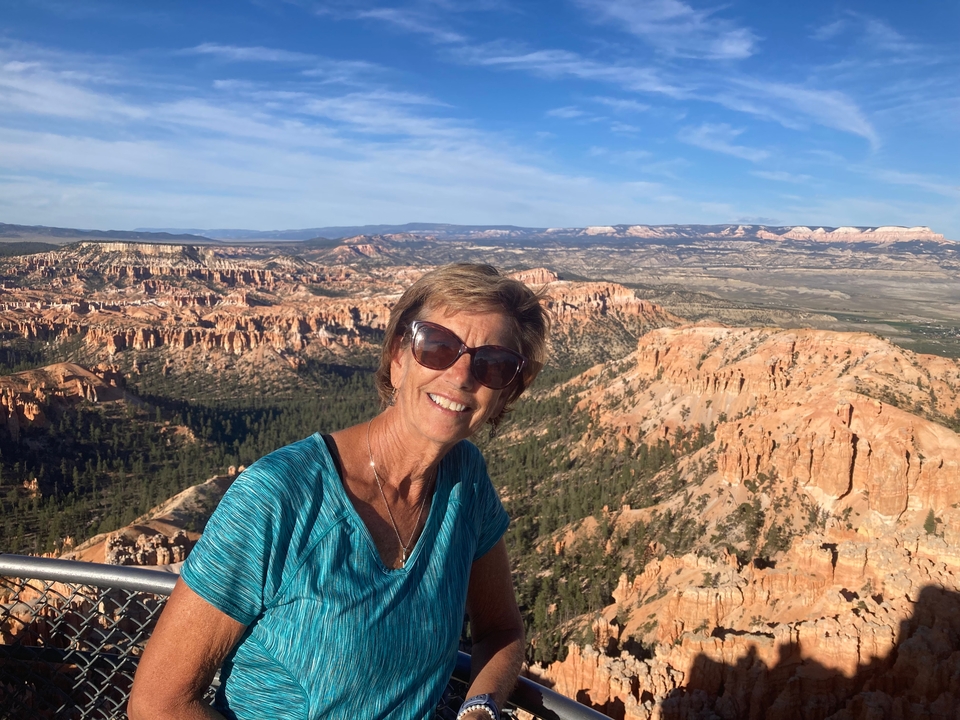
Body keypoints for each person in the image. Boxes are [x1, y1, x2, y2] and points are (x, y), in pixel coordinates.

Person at [129, 263, 550, 720]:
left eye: (493, 364)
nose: (463, 375)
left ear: (507, 393)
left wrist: (479, 710)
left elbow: (501, 630)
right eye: (438, 346)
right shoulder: (278, 496)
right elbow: (157, 703)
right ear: (397, 356)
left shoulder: (466, 482)